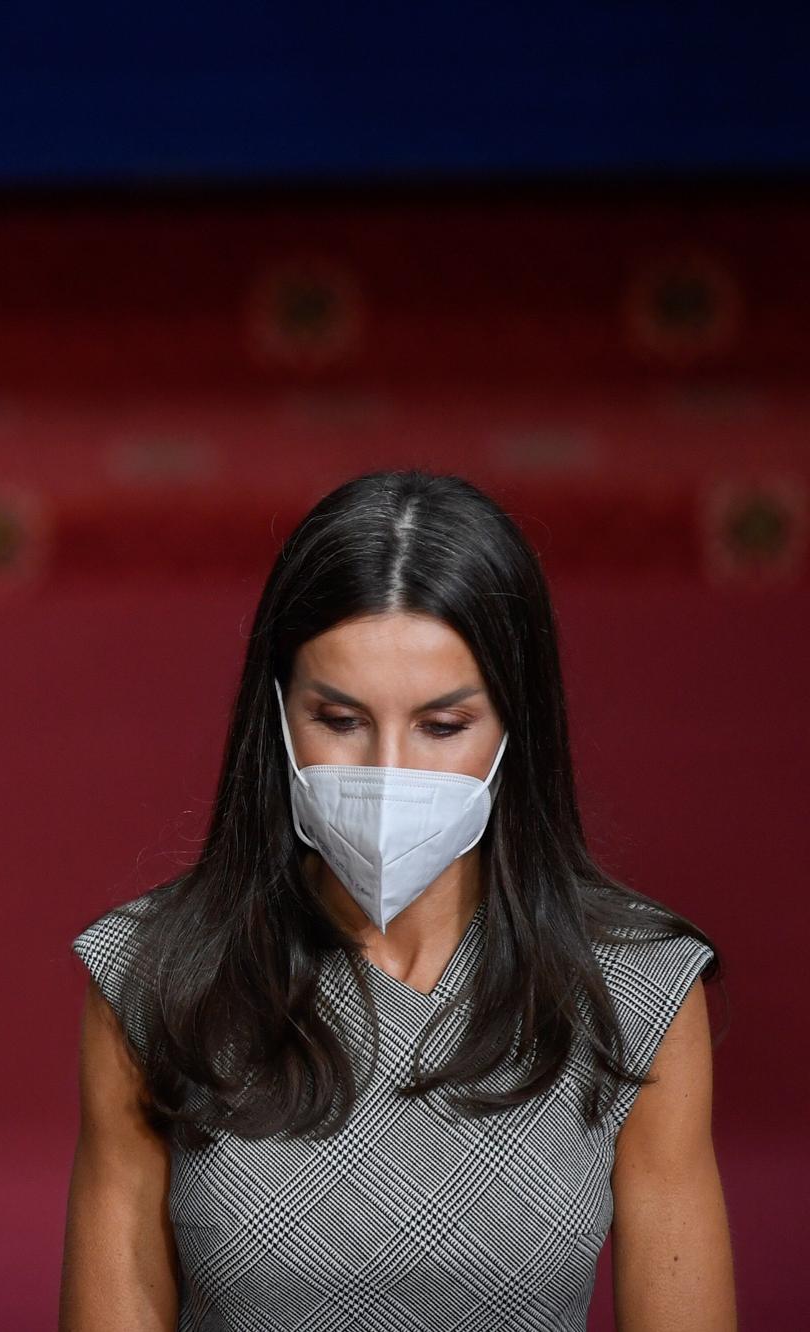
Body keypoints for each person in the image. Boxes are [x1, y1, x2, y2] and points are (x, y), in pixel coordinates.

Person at [61, 471, 732, 1331]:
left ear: (514, 729)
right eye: (339, 720)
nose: (390, 771)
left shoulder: (637, 991)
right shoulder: (156, 979)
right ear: (277, 717)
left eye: (443, 726)